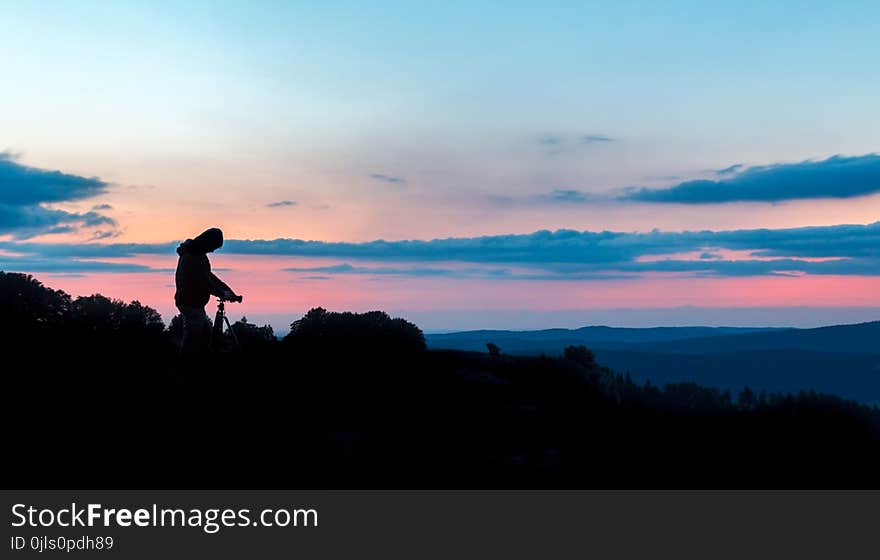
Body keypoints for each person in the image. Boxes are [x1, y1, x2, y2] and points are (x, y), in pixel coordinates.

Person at [174, 227, 242, 353]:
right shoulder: (194, 257)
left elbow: (209, 277)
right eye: (213, 247)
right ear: (207, 242)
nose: (212, 250)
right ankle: (185, 368)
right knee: (193, 338)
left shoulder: (197, 255)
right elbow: (204, 282)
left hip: (193, 303)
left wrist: (229, 292)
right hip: (190, 303)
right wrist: (223, 293)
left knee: (205, 334)